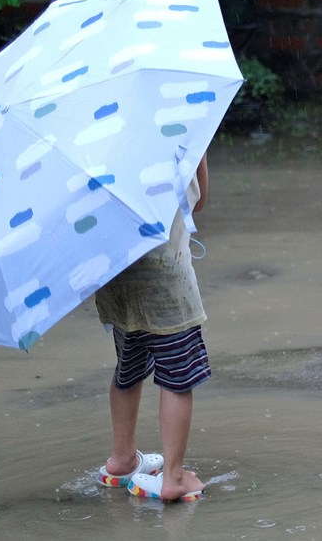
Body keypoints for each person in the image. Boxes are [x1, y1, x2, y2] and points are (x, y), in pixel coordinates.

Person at [93, 154, 212, 500]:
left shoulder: (99, 144)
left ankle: (122, 459)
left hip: (116, 275)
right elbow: (198, 200)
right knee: (177, 377)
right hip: (166, 281)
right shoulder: (176, 136)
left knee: (127, 367)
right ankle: (173, 477)